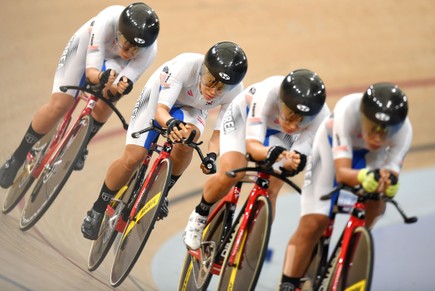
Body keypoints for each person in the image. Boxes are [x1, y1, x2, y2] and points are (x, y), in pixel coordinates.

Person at [80, 41, 248, 240]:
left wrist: (211, 156)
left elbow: (218, 135)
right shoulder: (185, 67)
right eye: (211, 80)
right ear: (204, 69)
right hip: (160, 97)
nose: (213, 90)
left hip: (192, 109)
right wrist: (170, 123)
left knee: (190, 139)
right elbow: (160, 111)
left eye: (222, 87)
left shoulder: (236, 93)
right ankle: (98, 208)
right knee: (133, 158)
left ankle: (163, 191)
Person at [0, 2, 160, 189]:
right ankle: (17, 157)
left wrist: (119, 86)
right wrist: (101, 76)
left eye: (135, 50)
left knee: (110, 97)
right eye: (126, 45)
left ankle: (83, 142)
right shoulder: (107, 21)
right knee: (60, 104)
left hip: (113, 64)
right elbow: (92, 74)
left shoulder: (149, 52)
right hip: (86, 48)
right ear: (119, 33)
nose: (128, 53)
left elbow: (120, 86)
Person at [278, 82, 412, 290]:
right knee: (315, 221)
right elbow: (342, 174)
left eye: (386, 131)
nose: (377, 137)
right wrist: (366, 177)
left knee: (377, 202)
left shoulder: (405, 131)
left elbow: (390, 174)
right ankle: (288, 283)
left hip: (370, 157)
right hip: (331, 149)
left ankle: (354, 244)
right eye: (372, 127)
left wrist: (387, 184)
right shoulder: (347, 110)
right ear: (362, 116)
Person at [183, 69, 331, 251]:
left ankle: (253, 243)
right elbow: (252, 145)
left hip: (279, 134)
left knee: (273, 187)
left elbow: (301, 153)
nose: (293, 125)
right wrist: (271, 153)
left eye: (301, 120)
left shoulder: (322, 116)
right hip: (244, 119)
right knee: (232, 171)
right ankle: (200, 214)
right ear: (280, 101)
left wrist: (294, 161)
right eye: (288, 114)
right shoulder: (268, 92)